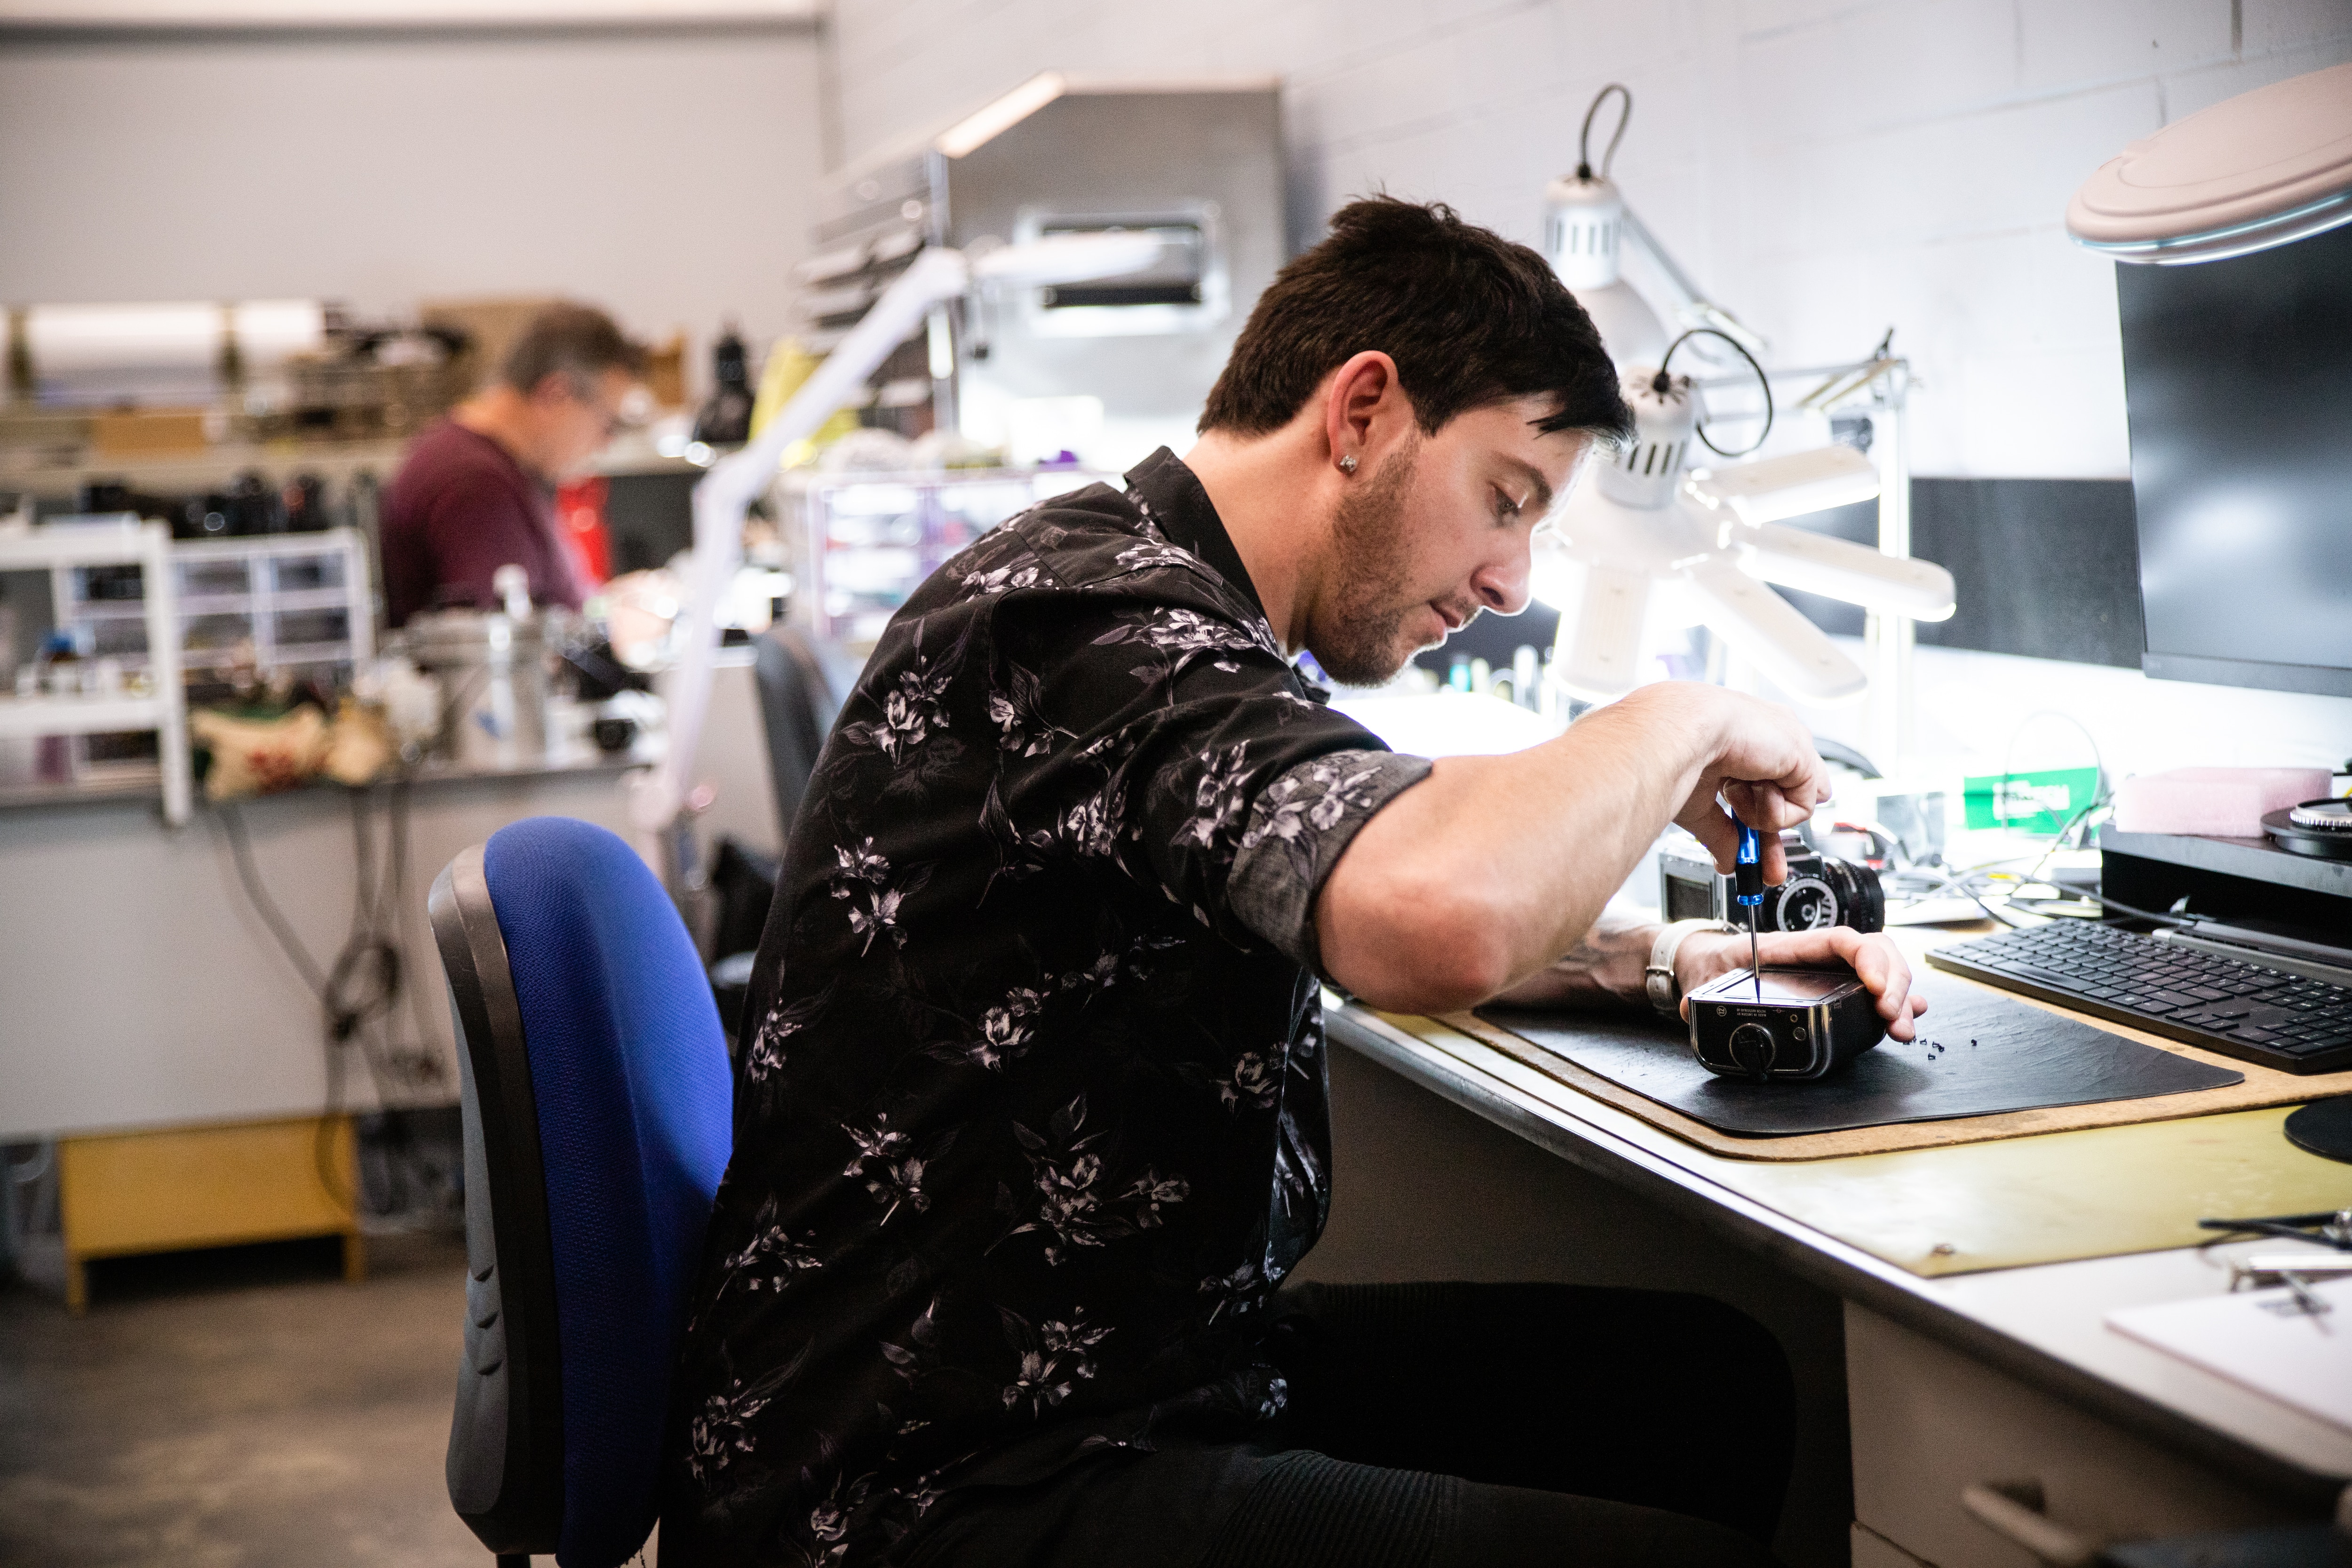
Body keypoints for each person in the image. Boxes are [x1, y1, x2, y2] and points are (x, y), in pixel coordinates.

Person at [660, 198, 1928, 1568]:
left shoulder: (1155, 603)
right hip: (927, 1481)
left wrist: (1658, 960)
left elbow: (1322, 872)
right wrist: (1679, 718)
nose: (1511, 581)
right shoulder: (1093, 625)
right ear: (1362, 412)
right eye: (1506, 499)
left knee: (1705, 1387)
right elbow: (1433, 914)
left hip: (1116, 1369)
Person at [377, 303, 643, 626]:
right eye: (608, 424)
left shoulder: (498, 465)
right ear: (555, 395)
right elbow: (510, 641)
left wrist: (608, 606)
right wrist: (616, 629)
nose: (605, 443)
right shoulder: (474, 486)